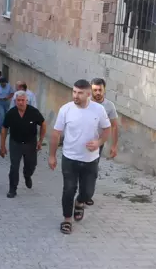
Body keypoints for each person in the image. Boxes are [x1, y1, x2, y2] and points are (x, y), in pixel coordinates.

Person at [48, 79, 111, 235]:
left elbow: (107, 129)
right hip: (69, 158)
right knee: (69, 189)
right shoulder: (66, 109)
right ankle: (67, 220)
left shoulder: (98, 110)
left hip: (90, 159)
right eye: (74, 92)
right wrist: (52, 155)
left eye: (80, 93)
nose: (75, 95)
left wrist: (99, 142)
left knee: (88, 192)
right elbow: (56, 133)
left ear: (88, 94)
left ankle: (80, 201)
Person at [0, 91, 47, 198]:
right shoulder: (11, 113)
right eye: (18, 101)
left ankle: (27, 175)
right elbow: (4, 129)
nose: (20, 103)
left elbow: (43, 124)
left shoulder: (33, 112)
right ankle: (12, 189)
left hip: (30, 143)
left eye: (23, 100)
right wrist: (2, 146)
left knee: (31, 165)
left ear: (27, 101)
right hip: (15, 143)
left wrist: (40, 141)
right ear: (15, 101)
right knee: (14, 167)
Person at [87, 77, 119, 206]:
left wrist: (114, 145)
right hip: (82, 141)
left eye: (100, 90)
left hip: (98, 143)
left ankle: (87, 194)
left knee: (92, 169)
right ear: (91, 90)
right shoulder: (85, 102)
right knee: (81, 168)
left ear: (104, 90)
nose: (98, 93)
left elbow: (115, 126)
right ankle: (82, 192)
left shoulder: (109, 106)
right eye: (95, 90)